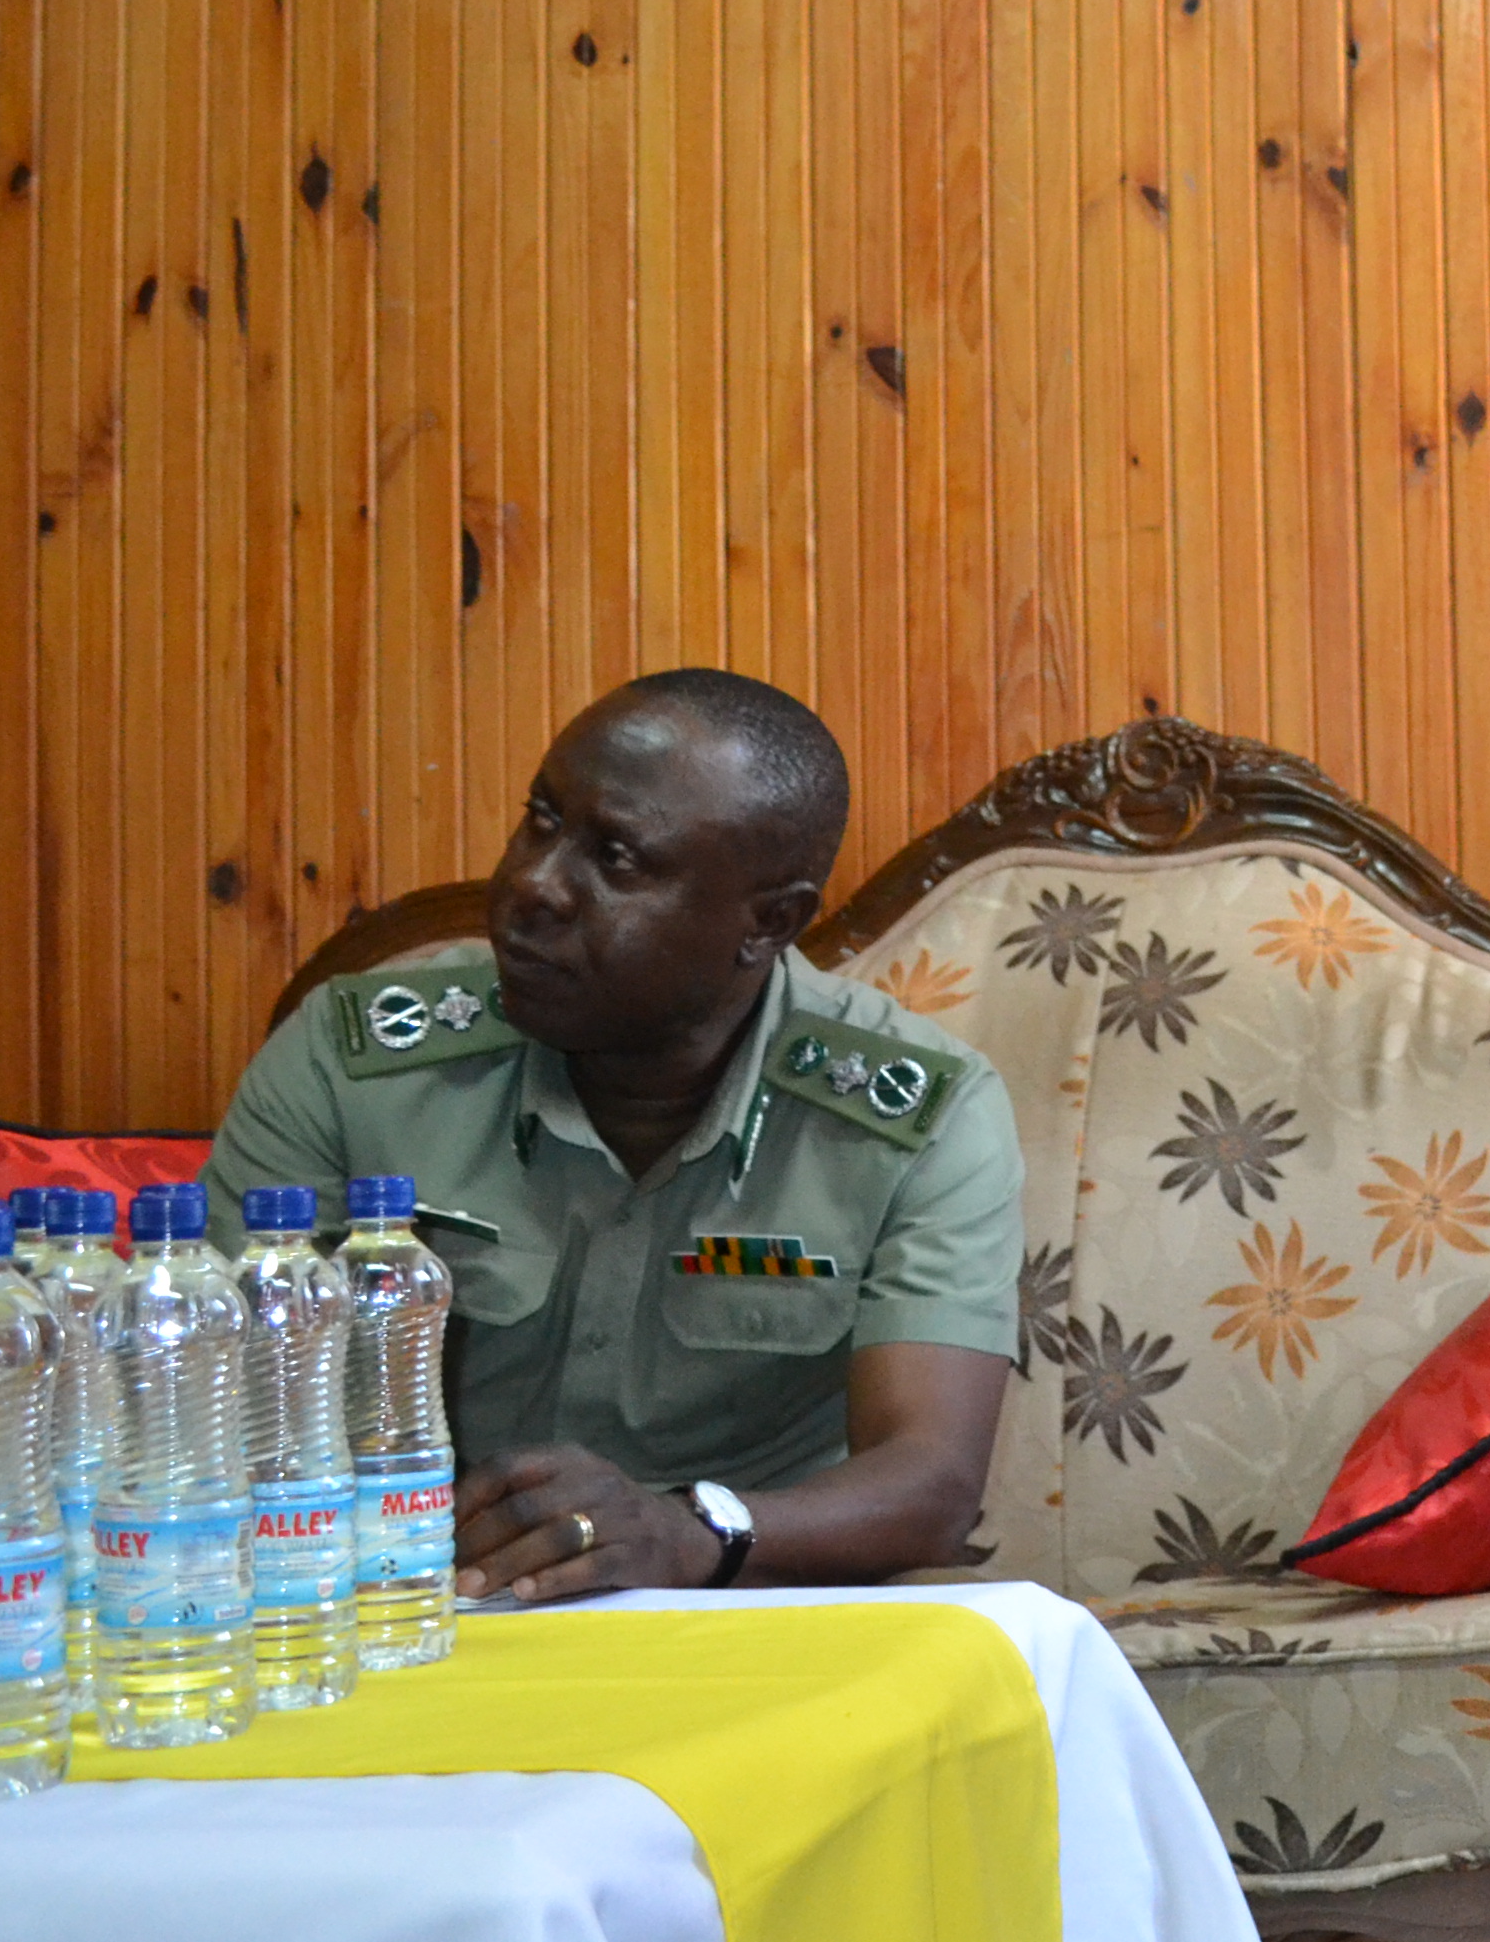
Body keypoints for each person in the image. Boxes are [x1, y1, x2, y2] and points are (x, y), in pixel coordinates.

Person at [205, 669, 1026, 1602]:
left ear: (770, 923)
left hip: (763, 1609)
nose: (534, 886)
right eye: (542, 821)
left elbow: (929, 1479)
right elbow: (223, 1401)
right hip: (415, 1602)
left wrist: (687, 1532)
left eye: (619, 859)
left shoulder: (915, 1114)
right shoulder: (353, 1061)